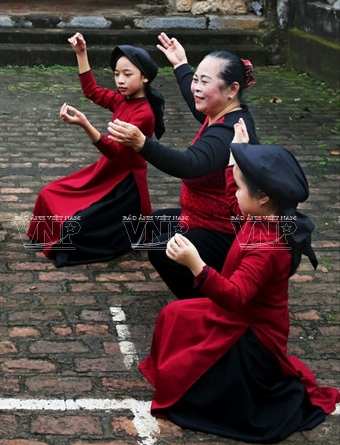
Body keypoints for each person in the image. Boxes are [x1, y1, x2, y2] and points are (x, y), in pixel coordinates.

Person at [139, 130, 340, 442]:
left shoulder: (267, 245)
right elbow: (239, 201)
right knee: (174, 315)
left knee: (190, 353)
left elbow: (234, 297)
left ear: (263, 197)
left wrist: (196, 264)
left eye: (240, 187)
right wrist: (237, 158)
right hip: (237, 318)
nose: (234, 193)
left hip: (252, 337)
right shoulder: (262, 215)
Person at [107, 32, 259, 298]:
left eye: (205, 82)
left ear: (232, 89)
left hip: (224, 231)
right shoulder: (222, 112)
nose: (196, 87)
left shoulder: (227, 133)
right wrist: (180, 64)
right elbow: (195, 101)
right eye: (196, 80)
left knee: (161, 250)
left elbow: (190, 164)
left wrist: (142, 144)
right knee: (154, 223)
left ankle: (210, 298)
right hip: (200, 218)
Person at [27, 33, 165, 267]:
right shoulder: (123, 100)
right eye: (116, 74)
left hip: (124, 185)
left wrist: (85, 124)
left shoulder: (144, 114)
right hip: (104, 172)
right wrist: (82, 53)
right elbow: (91, 91)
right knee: (48, 193)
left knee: (75, 227)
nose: (120, 80)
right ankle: (45, 235)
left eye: (127, 74)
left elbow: (114, 151)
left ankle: (134, 234)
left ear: (145, 78)